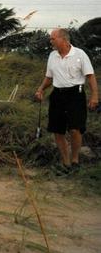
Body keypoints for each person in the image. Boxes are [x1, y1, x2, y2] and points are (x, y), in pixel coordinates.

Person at [35, 28, 98, 173]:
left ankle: (75, 160)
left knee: (75, 129)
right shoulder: (52, 56)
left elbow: (90, 76)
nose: (50, 41)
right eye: (51, 38)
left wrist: (95, 96)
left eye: (53, 38)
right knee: (57, 130)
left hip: (75, 94)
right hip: (57, 94)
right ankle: (66, 163)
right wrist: (40, 89)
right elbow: (49, 78)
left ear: (63, 39)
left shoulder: (80, 54)